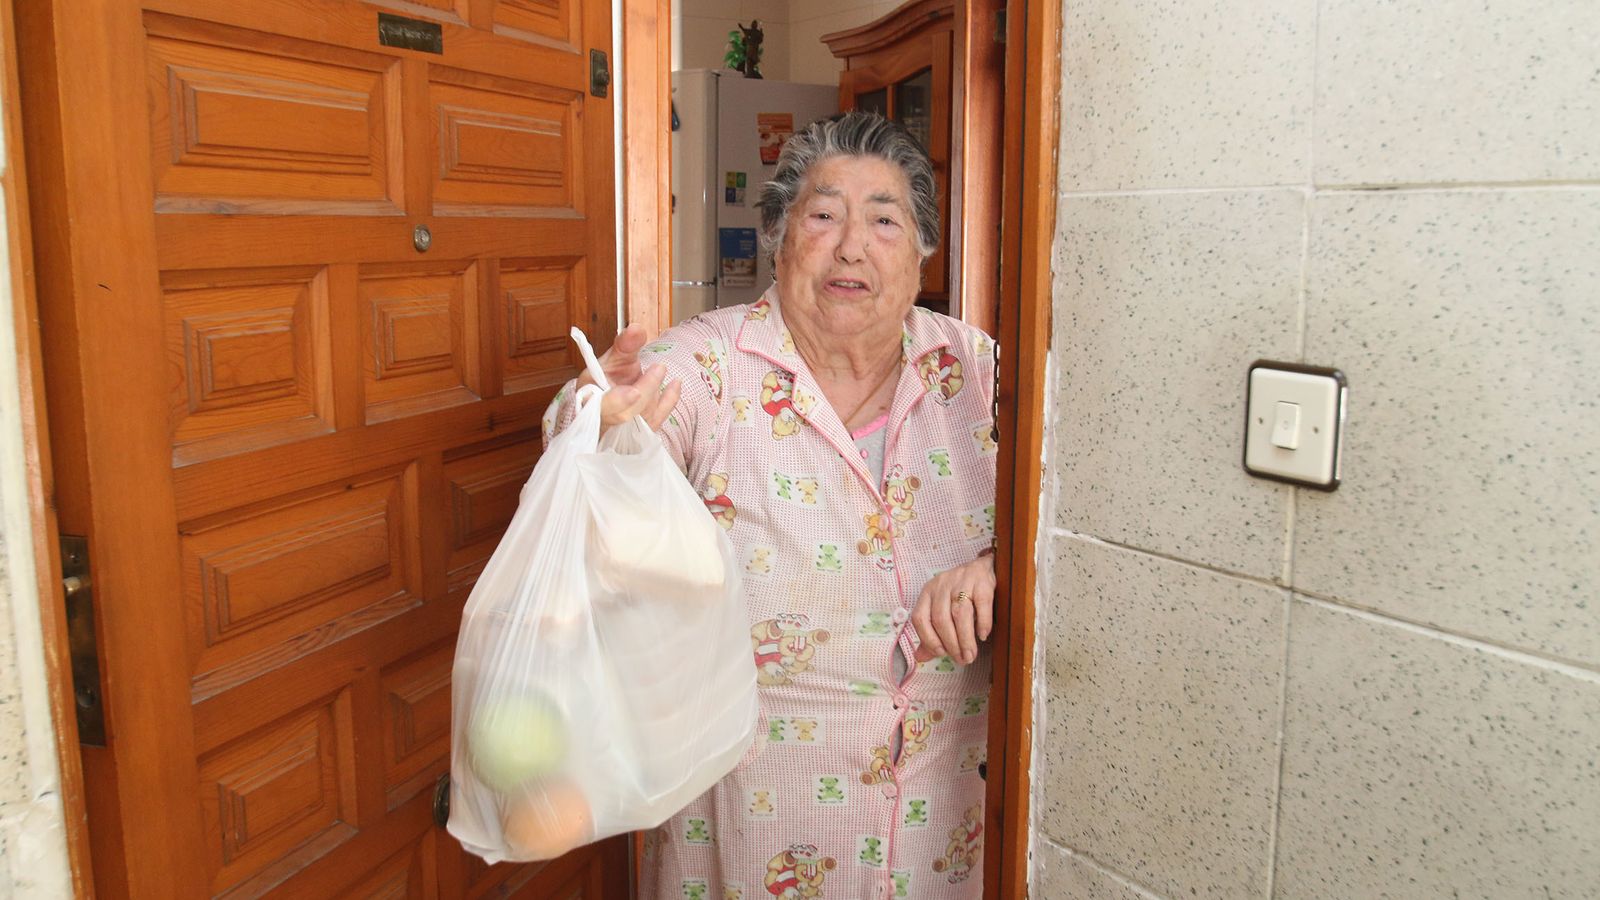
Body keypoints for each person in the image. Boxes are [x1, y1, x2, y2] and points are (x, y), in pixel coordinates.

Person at [542, 111, 997, 899]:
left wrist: (997, 565)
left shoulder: (977, 368)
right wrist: (594, 420)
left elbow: (1070, 522)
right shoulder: (709, 363)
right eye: (822, 216)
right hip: (755, 813)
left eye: (884, 220)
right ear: (779, 240)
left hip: (941, 816)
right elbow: (602, 430)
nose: (851, 246)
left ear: (923, 251)